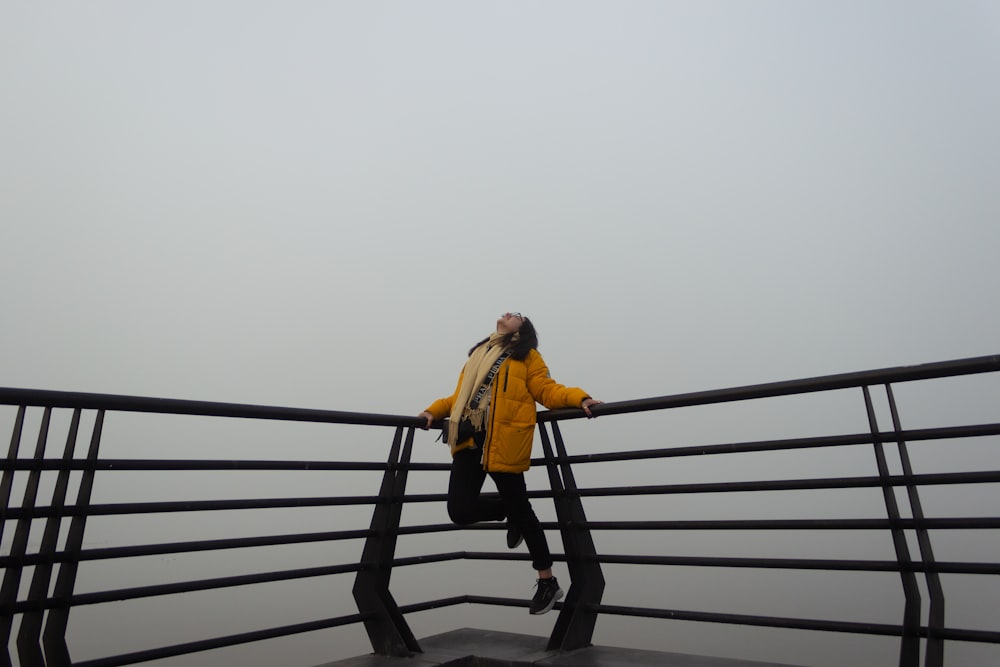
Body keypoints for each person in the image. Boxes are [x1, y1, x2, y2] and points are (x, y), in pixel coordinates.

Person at [418, 312, 602, 615]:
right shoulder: (478, 355)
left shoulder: (527, 356)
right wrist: (431, 411)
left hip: (505, 442)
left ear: (523, 329)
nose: (509, 314)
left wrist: (581, 398)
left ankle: (548, 581)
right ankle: (508, 511)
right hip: (468, 441)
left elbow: (547, 390)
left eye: (517, 315)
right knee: (460, 510)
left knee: (523, 511)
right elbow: (458, 398)